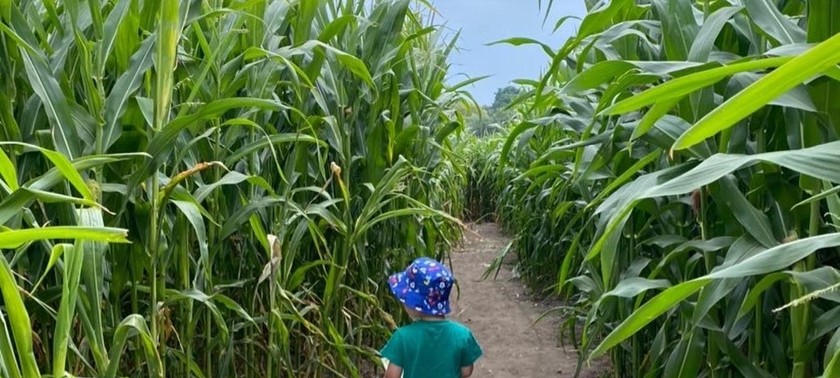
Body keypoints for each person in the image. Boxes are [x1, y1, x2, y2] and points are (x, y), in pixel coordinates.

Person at [380, 257, 483, 378]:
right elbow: (466, 371)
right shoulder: (462, 335)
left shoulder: (402, 337)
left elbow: (392, 376)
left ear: (415, 302)